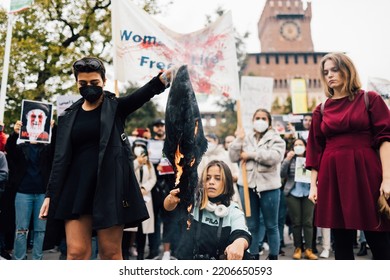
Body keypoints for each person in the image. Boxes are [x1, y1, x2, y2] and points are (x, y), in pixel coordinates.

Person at [39, 56, 172, 260]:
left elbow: (139, 96)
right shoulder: (67, 116)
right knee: (75, 253)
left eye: (94, 83)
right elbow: (60, 160)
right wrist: (50, 194)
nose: (89, 87)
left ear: (104, 82)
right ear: (77, 83)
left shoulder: (115, 107)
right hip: (76, 189)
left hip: (110, 187)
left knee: (110, 253)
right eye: (83, 84)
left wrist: (160, 82)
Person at [306, 52, 390, 260]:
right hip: (333, 176)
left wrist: (387, 178)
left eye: (335, 69)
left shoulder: (371, 99)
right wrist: (313, 185)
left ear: (348, 70)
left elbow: (385, 138)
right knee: (341, 243)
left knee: (379, 239)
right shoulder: (321, 110)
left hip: (367, 173)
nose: (330, 76)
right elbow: (315, 149)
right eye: (326, 72)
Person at [163, 160, 251, 260]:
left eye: (218, 178)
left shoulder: (233, 211)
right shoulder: (193, 202)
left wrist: (239, 243)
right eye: (207, 178)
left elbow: (242, 233)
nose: (211, 182)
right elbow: (168, 207)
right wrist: (171, 199)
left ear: (227, 183)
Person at [229, 108, 286, 260]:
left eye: (263, 118)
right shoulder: (245, 137)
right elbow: (233, 156)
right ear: (253, 120)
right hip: (247, 187)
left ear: (268, 122)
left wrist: (251, 155)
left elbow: (274, 157)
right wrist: (238, 140)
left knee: (271, 225)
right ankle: (253, 256)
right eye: (257, 117)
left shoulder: (277, 139)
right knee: (251, 225)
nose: (260, 120)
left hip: (269, 188)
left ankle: (273, 256)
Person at [6, 120, 55, 260]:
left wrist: (53, 128)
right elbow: (10, 149)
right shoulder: (21, 147)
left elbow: (57, 148)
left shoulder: (46, 148)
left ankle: (36, 260)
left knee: (40, 230)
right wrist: (15, 134)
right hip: (23, 193)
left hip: (41, 194)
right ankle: (19, 259)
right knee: (21, 229)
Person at [280, 138, 317, 260]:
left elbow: (317, 173)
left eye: (301, 144)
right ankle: (297, 248)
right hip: (293, 193)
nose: (298, 146)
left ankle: (309, 249)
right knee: (296, 223)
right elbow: (282, 174)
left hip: (308, 193)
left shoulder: (311, 158)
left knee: (308, 222)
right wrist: (287, 159)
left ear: (306, 147)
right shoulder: (290, 159)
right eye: (296, 145)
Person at [147, 118, 179, 260]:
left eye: (162, 126)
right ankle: (154, 251)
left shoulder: (172, 143)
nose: (160, 128)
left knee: (169, 218)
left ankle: (168, 251)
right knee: (153, 219)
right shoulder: (148, 143)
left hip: (169, 185)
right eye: (157, 126)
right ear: (154, 128)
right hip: (153, 186)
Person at [128, 138, 156, 260]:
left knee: (142, 228)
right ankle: (125, 253)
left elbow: (153, 178)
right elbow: (127, 173)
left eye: (142, 145)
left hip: (145, 197)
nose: (139, 147)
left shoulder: (148, 163)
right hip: (131, 197)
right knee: (128, 228)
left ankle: (140, 256)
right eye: (137, 145)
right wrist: (137, 162)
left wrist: (145, 188)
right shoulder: (130, 160)